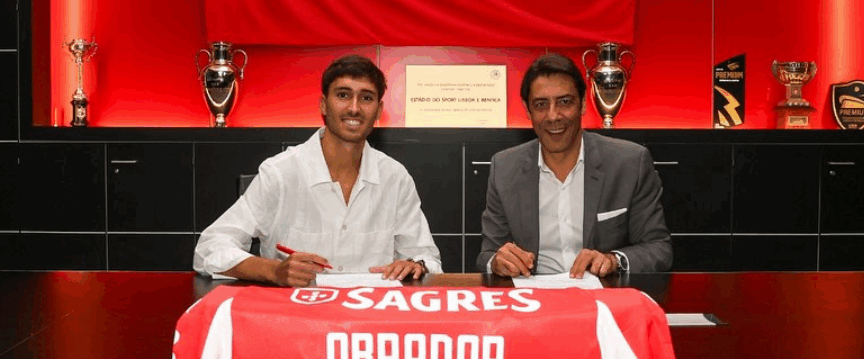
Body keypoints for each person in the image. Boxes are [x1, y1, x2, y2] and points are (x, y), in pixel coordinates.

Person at [194, 55, 441, 286]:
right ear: (323, 104)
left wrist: (415, 265)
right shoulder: (280, 172)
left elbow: (428, 260)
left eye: (366, 98)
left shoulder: (395, 177)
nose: (354, 108)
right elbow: (208, 249)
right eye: (343, 95)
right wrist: (273, 270)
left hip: (370, 315)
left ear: (378, 110)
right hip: (294, 314)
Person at [477, 53, 672, 278]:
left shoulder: (629, 162)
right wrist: (497, 262)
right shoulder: (504, 168)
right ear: (528, 110)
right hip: (535, 295)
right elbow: (487, 255)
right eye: (541, 104)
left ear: (583, 104)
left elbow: (659, 249)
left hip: (602, 295)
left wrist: (613, 261)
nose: (553, 116)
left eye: (564, 102)